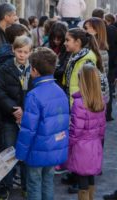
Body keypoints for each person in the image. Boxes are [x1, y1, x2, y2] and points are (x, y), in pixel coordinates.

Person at [15, 47, 70, 200]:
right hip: (54, 147)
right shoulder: (60, 91)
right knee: (48, 182)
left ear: (34, 70)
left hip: (36, 150)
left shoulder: (34, 95)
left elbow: (28, 130)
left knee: (34, 184)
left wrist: (20, 153)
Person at [0, 36, 33, 200]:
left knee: (25, 152)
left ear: (30, 52)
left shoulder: (34, 69)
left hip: (28, 117)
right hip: (9, 117)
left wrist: (25, 110)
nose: (22, 55)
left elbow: (36, 92)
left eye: (25, 52)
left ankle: (26, 185)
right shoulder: (5, 68)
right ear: (13, 51)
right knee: (8, 152)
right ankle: (5, 186)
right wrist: (14, 109)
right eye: (19, 51)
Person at [65, 63, 106, 200]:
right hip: (95, 145)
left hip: (82, 147)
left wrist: (68, 144)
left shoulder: (79, 103)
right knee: (90, 178)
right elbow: (102, 128)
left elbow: (76, 130)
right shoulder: (101, 101)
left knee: (82, 181)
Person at [63, 28, 104, 106]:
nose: (64, 43)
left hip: (82, 105)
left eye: (67, 40)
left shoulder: (86, 59)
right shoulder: (75, 55)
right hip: (75, 102)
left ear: (77, 42)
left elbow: (90, 86)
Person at [83, 17, 110, 102]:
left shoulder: (98, 51)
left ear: (96, 30)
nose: (84, 31)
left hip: (95, 96)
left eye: (87, 28)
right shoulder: (98, 48)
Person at [46, 22, 70, 88]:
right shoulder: (47, 46)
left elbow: (64, 68)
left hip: (61, 83)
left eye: (59, 39)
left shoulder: (68, 49)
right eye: (54, 38)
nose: (56, 41)